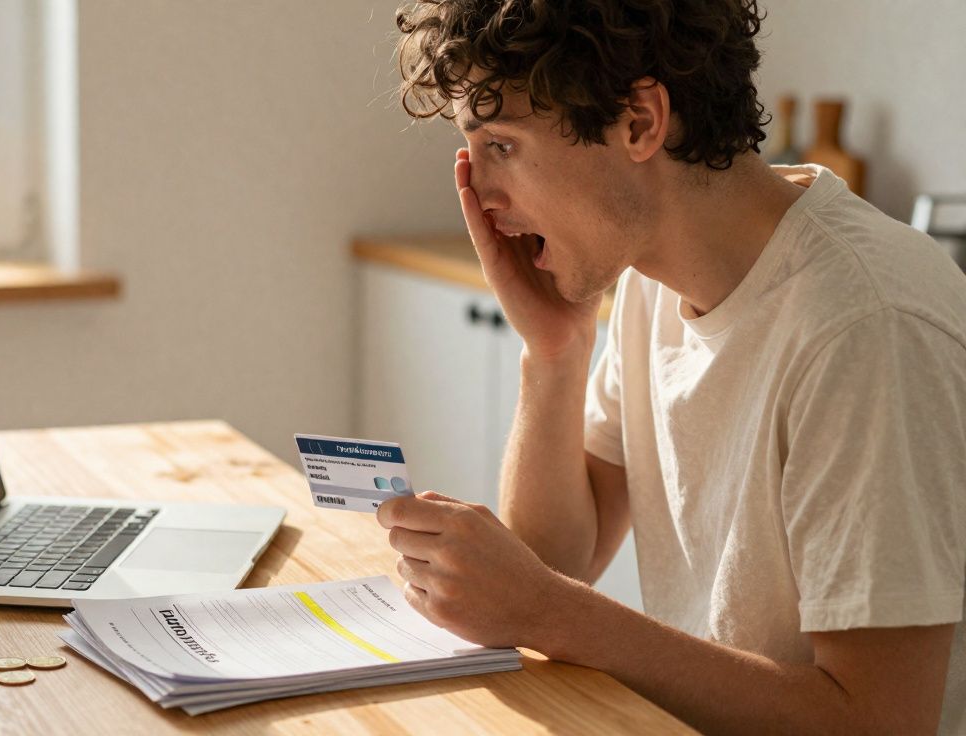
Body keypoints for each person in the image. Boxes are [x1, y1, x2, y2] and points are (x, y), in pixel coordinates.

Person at [377, 1, 966, 732]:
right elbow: (557, 559)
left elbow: (880, 722)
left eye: (501, 144)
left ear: (640, 122)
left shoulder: (866, 327)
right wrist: (553, 353)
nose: (484, 199)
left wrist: (556, 613)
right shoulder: (651, 278)